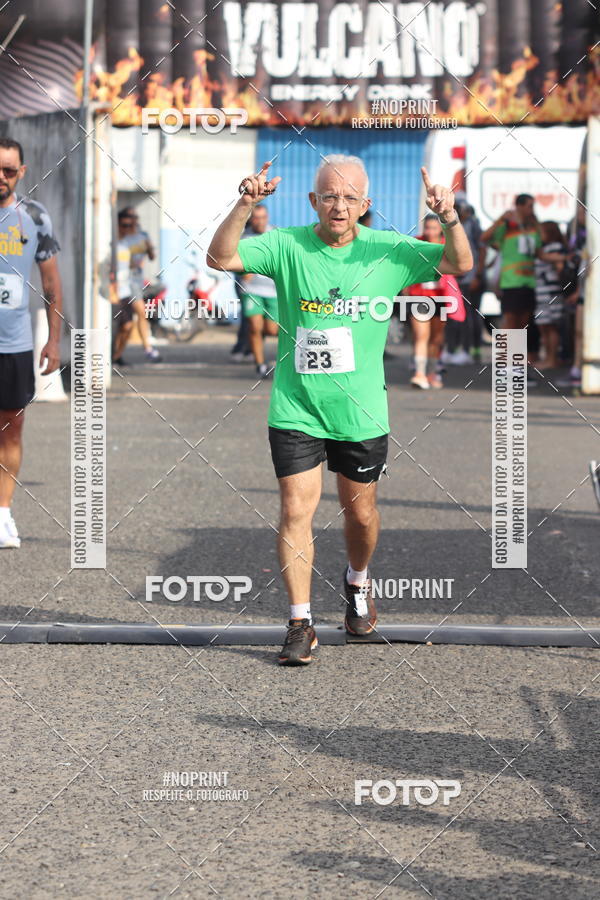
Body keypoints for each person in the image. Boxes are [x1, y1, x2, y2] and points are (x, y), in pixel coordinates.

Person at [207, 156, 472, 665]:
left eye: (350, 198)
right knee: (294, 510)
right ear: (313, 201)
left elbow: (459, 265)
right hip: (297, 406)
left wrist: (450, 218)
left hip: (362, 412)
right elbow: (221, 259)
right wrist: (244, 205)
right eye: (330, 195)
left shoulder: (389, 250)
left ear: (365, 206)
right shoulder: (287, 245)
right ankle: (300, 621)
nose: (339, 206)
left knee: (361, 513)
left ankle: (357, 581)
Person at [0, 137, 62, 548]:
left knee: (10, 432)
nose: (0, 177)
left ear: (21, 173)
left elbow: (52, 285)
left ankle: (2, 515)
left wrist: (54, 341)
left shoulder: (35, 217)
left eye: (9, 170)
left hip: (14, 346)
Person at [481, 194, 563, 330]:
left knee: (523, 325)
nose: (532, 209)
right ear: (519, 206)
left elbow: (541, 250)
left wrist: (563, 257)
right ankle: (505, 352)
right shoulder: (507, 226)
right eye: (530, 206)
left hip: (529, 282)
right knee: (510, 323)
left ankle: (517, 351)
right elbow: (484, 237)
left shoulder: (532, 228)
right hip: (511, 282)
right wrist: (501, 219)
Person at [406, 214, 464, 389]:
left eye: (433, 228)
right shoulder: (416, 243)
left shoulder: (447, 245)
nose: (429, 231)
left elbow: (460, 265)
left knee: (436, 338)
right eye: (427, 228)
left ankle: (432, 373)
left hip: (442, 297)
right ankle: (419, 373)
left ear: (440, 229)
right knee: (421, 335)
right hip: (419, 296)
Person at [112, 208, 161, 365]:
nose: (132, 221)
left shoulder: (142, 235)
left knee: (128, 322)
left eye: (134, 217)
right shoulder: (121, 238)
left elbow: (152, 256)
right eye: (128, 218)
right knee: (137, 315)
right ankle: (147, 348)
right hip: (124, 282)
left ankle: (118, 354)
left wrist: (149, 247)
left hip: (136, 281)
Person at [238, 204, 279, 378]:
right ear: (251, 220)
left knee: (271, 330)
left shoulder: (276, 235)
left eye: (263, 217)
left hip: (273, 290)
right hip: (251, 289)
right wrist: (244, 271)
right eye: (256, 218)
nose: (260, 221)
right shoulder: (244, 239)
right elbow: (238, 265)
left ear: (267, 218)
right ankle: (260, 365)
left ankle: (256, 341)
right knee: (255, 327)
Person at [534, 221, 567, 369]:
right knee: (544, 326)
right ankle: (548, 357)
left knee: (551, 326)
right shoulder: (545, 248)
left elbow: (560, 268)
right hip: (541, 292)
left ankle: (552, 359)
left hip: (551, 292)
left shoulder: (555, 247)